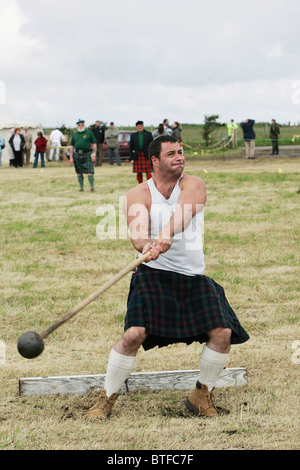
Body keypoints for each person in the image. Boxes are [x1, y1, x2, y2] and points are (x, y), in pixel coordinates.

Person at [87, 135, 250, 420]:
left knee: (222, 333)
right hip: (153, 276)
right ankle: (107, 398)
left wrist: (165, 234)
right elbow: (138, 233)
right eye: (171, 153)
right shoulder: (138, 193)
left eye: (181, 152)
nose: (180, 157)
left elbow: (184, 214)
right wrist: (146, 245)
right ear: (154, 160)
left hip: (192, 277)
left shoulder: (193, 184)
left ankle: (202, 394)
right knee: (133, 335)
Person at [69, 119, 97, 192]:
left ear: (84, 125)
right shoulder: (74, 134)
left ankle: (92, 187)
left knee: (90, 171)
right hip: (77, 154)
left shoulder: (89, 133)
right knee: (79, 172)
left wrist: (94, 154)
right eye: (79, 125)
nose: (80, 126)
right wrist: (71, 157)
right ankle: (81, 188)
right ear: (77, 126)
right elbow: (72, 146)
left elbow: (94, 143)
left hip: (87, 154)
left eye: (82, 124)